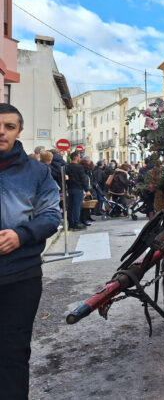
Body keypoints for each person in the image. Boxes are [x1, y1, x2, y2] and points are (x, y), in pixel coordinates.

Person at [0, 103, 61, 399]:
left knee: (13, 351)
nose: (1, 131)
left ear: (19, 131)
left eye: (9, 127)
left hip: (20, 275)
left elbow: (51, 216)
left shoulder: (37, 172)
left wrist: (20, 236)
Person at [65, 151, 89, 231]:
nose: (80, 158)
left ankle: (71, 224)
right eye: (79, 156)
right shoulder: (79, 167)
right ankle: (77, 223)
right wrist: (87, 190)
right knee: (77, 207)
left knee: (70, 207)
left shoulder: (67, 166)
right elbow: (83, 179)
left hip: (69, 188)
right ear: (76, 157)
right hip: (78, 188)